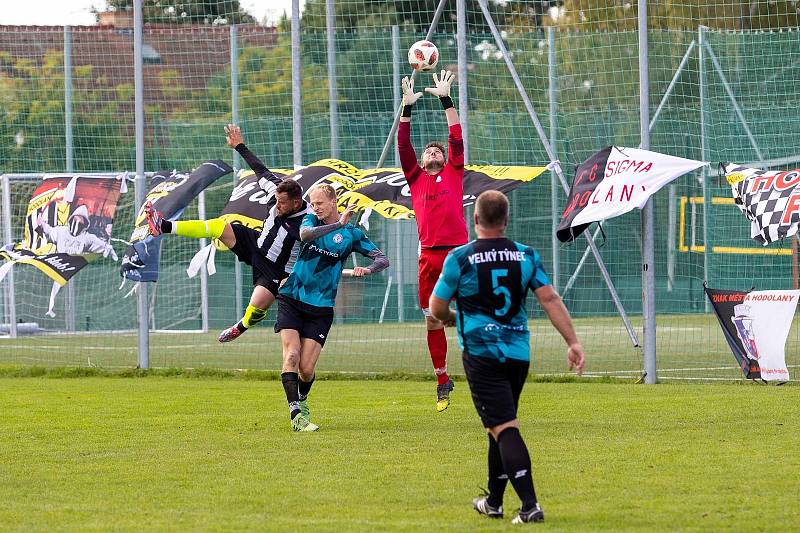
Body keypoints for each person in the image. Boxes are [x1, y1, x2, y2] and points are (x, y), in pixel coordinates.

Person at [429, 190, 585, 524]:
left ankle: (530, 505)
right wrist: (572, 342)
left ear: (475, 219)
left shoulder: (460, 258)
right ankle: (495, 502)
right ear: (506, 220)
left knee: (504, 426)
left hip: (482, 353)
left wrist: (451, 317)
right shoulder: (525, 255)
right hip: (517, 353)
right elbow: (550, 299)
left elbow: (436, 305)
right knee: (496, 426)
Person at [144, 124, 309, 342]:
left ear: (296, 203)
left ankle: (240, 327)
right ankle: (164, 226)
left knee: (257, 305)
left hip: (276, 269)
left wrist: (292, 277)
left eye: (282, 204)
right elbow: (261, 170)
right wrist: (240, 146)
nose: (277, 206)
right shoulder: (277, 191)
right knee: (219, 226)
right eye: (276, 201)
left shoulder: (307, 223)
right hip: (255, 242)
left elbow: (313, 252)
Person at [276, 183, 389, 432]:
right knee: (291, 354)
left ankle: (302, 400)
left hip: (322, 306)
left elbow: (383, 259)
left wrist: (368, 269)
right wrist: (337, 224)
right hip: (292, 297)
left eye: (319, 203)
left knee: (306, 369)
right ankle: (295, 414)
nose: (314, 207)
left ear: (333, 202)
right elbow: (305, 236)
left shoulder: (351, 233)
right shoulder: (310, 220)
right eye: (312, 203)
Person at [398, 69, 467, 412]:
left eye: (436, 150)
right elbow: (403, 145)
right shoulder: (415, 179)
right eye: (428, 152)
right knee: (432, 320)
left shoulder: (455, 170)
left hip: (458, 255)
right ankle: (442, 380)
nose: (432, 152)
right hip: (429, 257)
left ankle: (486, 370)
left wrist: (445, 99)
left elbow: (455, 136)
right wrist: (407, 108)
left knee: (472, 312)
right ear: (422, 162)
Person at [36, 204, 118, 259]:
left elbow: (99, 244)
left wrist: (107, 247)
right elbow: (49, 231)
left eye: (80, 221)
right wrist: (41, 223)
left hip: (76, 267)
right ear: (71, 219)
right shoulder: (60, 231)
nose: (77, 223)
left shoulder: (87, 237)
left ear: (85, 223)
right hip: (59, 263)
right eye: (75, 219)